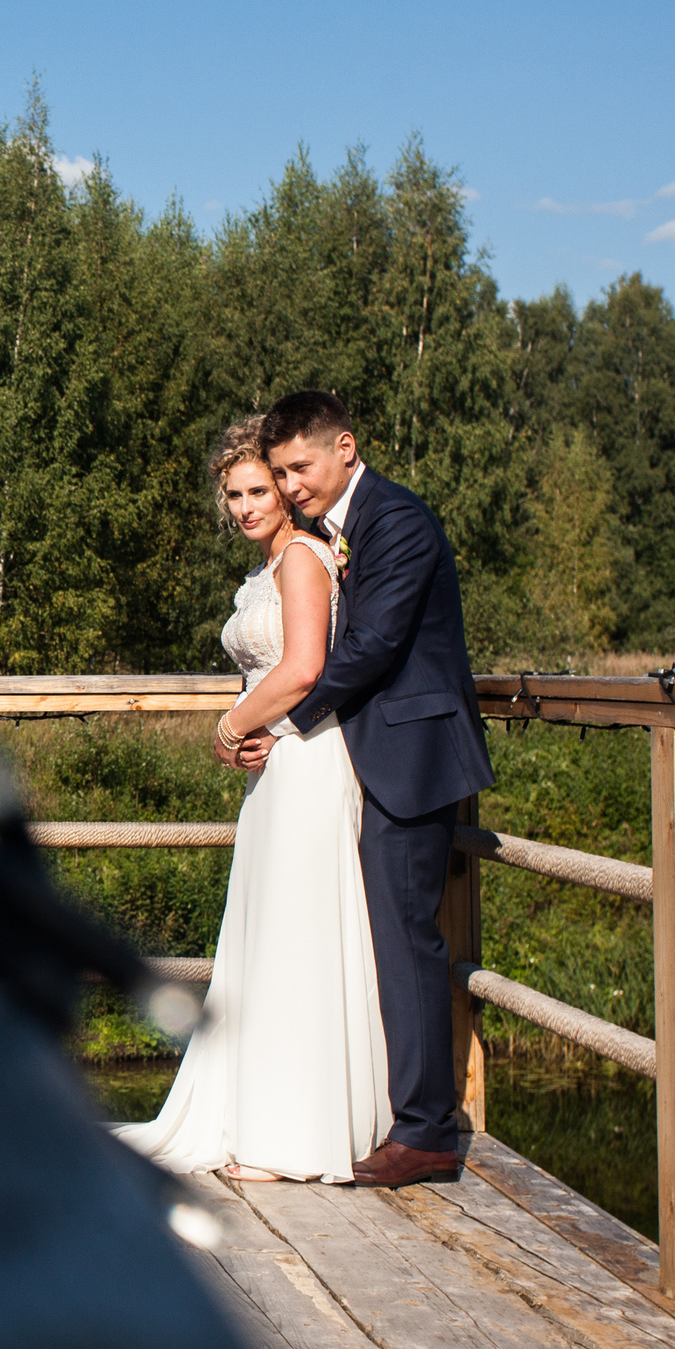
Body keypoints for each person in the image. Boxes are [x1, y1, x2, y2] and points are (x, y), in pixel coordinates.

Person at [114, 417, 390, 1182]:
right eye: (233, 494)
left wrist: (232, 724)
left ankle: (293, 1136)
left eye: (258, 491)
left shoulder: (302, 558)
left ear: (285, 491)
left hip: (308, 760)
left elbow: (303, 667)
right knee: (270, 937)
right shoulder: (264, 569)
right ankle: (262, 1116)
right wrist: (244, 732)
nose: (244, 506)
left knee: (298, 938)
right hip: (274, 764)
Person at [243, 390, 494, 1189]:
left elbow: (375, 644)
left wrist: (282, 720)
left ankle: (425, 1133)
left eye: (299, 468)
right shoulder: (331, 530)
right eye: (280, 473)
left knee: (406, 937)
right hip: (368, 758)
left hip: (412, 760)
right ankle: (389, 1113)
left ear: (345, 447)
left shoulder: (399, 521)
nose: (290, 486)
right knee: (379, 934)